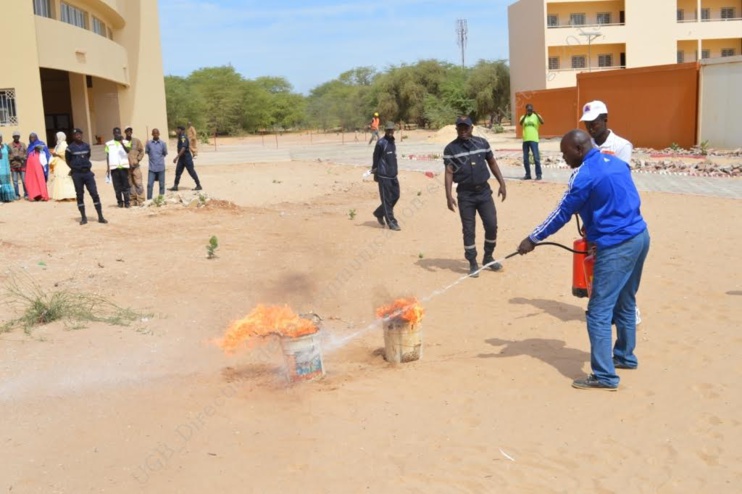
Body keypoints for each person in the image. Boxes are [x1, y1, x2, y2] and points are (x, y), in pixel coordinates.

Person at [517, 129, 650, 391]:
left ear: (579, 149)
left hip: (617, 246)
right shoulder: (617, 163)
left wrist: (533, 239)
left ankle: (604, 376)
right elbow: (625, 199)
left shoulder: (584, 175)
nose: (564, 159)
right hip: (640, 236)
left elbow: (561, 212)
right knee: (625, 300)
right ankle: (624, 357)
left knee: (598, 312)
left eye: (565, 154)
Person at [580, 100, 642, 326]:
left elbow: (617, 179)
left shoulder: (622, 145)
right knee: (599, 263)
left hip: (615, 214)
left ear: (605, 119)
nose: (590, 127)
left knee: (620, 265)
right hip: (594, 214)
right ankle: (602, 305)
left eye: (594, 122)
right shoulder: (585, 146)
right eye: (587, 123)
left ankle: (629, 309)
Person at [444, 116, 508, 277]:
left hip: (484, 193)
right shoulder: (451, 149)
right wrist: (448, 196)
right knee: (469, 230)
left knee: (492, 225)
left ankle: (488, 257)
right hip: (465, 195)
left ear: (472, 128)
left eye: (466, 128)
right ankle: (472, 262)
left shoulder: (482, 143)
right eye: (460, 128)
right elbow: (449, 172)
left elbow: (492, 162)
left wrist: (502, 183)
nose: (463, 131)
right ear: (456, 129)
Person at [66, 128, 107, 225]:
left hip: (88, 174)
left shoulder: (86, 146)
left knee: (94, 193)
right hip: (77, 174)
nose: (78, 136)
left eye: (80, 134)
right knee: (79, 195)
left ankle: (100, 216)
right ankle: (83, 217)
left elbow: (88, 156)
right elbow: (68, 161)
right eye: (76, 135)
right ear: (73, 136)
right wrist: (75, 167)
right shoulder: (69, 148)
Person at [370, 122, 401, 231]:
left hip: (393, 175)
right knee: (387, 200)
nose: (390, 132)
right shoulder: (381, 143)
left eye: (392, 130)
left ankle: (379, 212)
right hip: (384, 175)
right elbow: (376, 158)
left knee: (396, 196)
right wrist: (375, 173)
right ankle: (392, 222)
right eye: (388, 130)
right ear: (385, 131)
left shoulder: (392, 142)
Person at [168, 125, 202, 191]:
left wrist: (176, 157)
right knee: (178, 171)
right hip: (182, 158)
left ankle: (198, 185)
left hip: (187, 158)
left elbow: (183, 148)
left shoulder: (183, 137)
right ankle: (175, 186)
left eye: (178, 130)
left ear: (181, 130)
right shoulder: (180, 137)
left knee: (191, 172)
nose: (177, 131)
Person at [105, 127, 131, 207]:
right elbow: (107, 156)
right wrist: (108, 167)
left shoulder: (126, 142)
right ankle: (120, 202)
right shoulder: (108, 144)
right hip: (114, 168)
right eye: (116, 133)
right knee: (117, 187)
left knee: (125, 186)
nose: (117, 134)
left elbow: (128, 151)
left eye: (119, 132)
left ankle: (127, 203)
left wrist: (121, 143)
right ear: (113, 133)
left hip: (123, 167)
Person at [519, 104, 544, 180]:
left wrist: (536, 113)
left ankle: (539, 175)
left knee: (536, 158)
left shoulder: (536, 116)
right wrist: (525, 115)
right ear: (526, 110)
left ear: (532, 109)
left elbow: (542, 122)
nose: (529, 111)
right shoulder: (523, 117)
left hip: (534, 140)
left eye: (530, 109)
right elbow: (520, 123)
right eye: (528, 109)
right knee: (525, 159)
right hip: (525, 140)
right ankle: (528, 174)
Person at [49, 131, 76, 201]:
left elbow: (65, 154)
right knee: (59, 179)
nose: (55, 138)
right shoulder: (57, 145)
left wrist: (57, 154)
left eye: (56, 136)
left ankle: (70, 195)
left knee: (65, 179)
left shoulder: (64, 145)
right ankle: (61, 196)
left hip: (63, 164)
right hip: (58, 165)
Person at [124, 126, 145, 206]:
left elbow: (142, 151)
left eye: (130, 131)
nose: (129, 132)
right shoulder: (123, 142)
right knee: (130, 184)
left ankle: (141, 200)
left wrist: (138, 160)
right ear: (125, 132)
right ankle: (132, 200)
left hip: (135, 166)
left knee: (138, 183)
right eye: (127, 131)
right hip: (126, 168)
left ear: (132, 132)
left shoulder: (136, 141)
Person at [145, 128, 168, 199]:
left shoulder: (163, 144)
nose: (155, 134)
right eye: (154, 133)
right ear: (152, 134)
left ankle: (161, 199)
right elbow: (147, 152)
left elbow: (164, 153)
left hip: (161, 167)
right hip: (152, 168)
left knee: (161, 185)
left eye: (157, 133)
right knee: (149, 185)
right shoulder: (148, 143)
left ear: (159, 134)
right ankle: (149, 199)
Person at [8, 131, 27, 199]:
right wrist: (14, 157)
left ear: (19, 137)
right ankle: (17, 194)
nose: (16, 137)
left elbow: (26, 154)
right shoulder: (9, 146)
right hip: (14, 166)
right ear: (13, 137)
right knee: (15, 181)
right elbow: (8, 155)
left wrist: (21, 158)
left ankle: (26, 194)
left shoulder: (23, 145)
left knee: (24, 180)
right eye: (15, 136)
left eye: (17, 136)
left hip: (22, 165)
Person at [0, 133, 17, 202]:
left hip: (6, 167)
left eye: (0, 137)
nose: (0, 139)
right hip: (0, 167)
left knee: (7, 181)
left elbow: (10, 155)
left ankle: (8, 197)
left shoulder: (6, 146)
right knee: (1, 182)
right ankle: (2, 198)